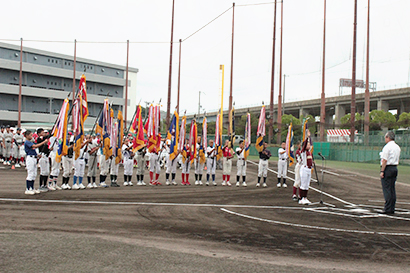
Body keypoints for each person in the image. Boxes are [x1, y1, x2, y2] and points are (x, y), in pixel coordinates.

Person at [380, 131, 401, 215]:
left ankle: (387, 208)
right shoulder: (397, 147)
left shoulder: (387, 147)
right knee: (392, 188)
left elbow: (384, 160)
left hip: (388, 168)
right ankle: (392, 207)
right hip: (394, 168)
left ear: (388, 137)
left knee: (387, 188)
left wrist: (382, 170)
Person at [23, 130, 48, 195]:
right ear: (27, 136)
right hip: (30, 158)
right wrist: (44, 142)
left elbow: (34, 149)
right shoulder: (27, 142)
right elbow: (35, 146)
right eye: (31, 135)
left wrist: (37, 155)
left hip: (34, 158)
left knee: (34, 174)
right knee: (30, 173)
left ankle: (32, 187)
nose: (32, 136)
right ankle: (28, 188)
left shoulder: (31, 142)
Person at [299, 138, 313, 205]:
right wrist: (307, 137)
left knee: (307, 185)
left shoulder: (309, 152)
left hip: (309, 169)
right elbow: (304, 146)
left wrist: (310, 138)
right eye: (308, 145)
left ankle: (305, 197)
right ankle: (301, 198)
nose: (309, 146)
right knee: (303, 184)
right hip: (304, 168)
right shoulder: (303, 152)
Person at [36, 128, 50, 192]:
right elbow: (41, 141)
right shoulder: (39, 139)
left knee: (47, 172)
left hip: (46, 156)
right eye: (42, 132)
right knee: (43, 172)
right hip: (42, 156)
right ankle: (41, 185)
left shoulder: (45, 139)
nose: (44, 133)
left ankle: (45, 184)